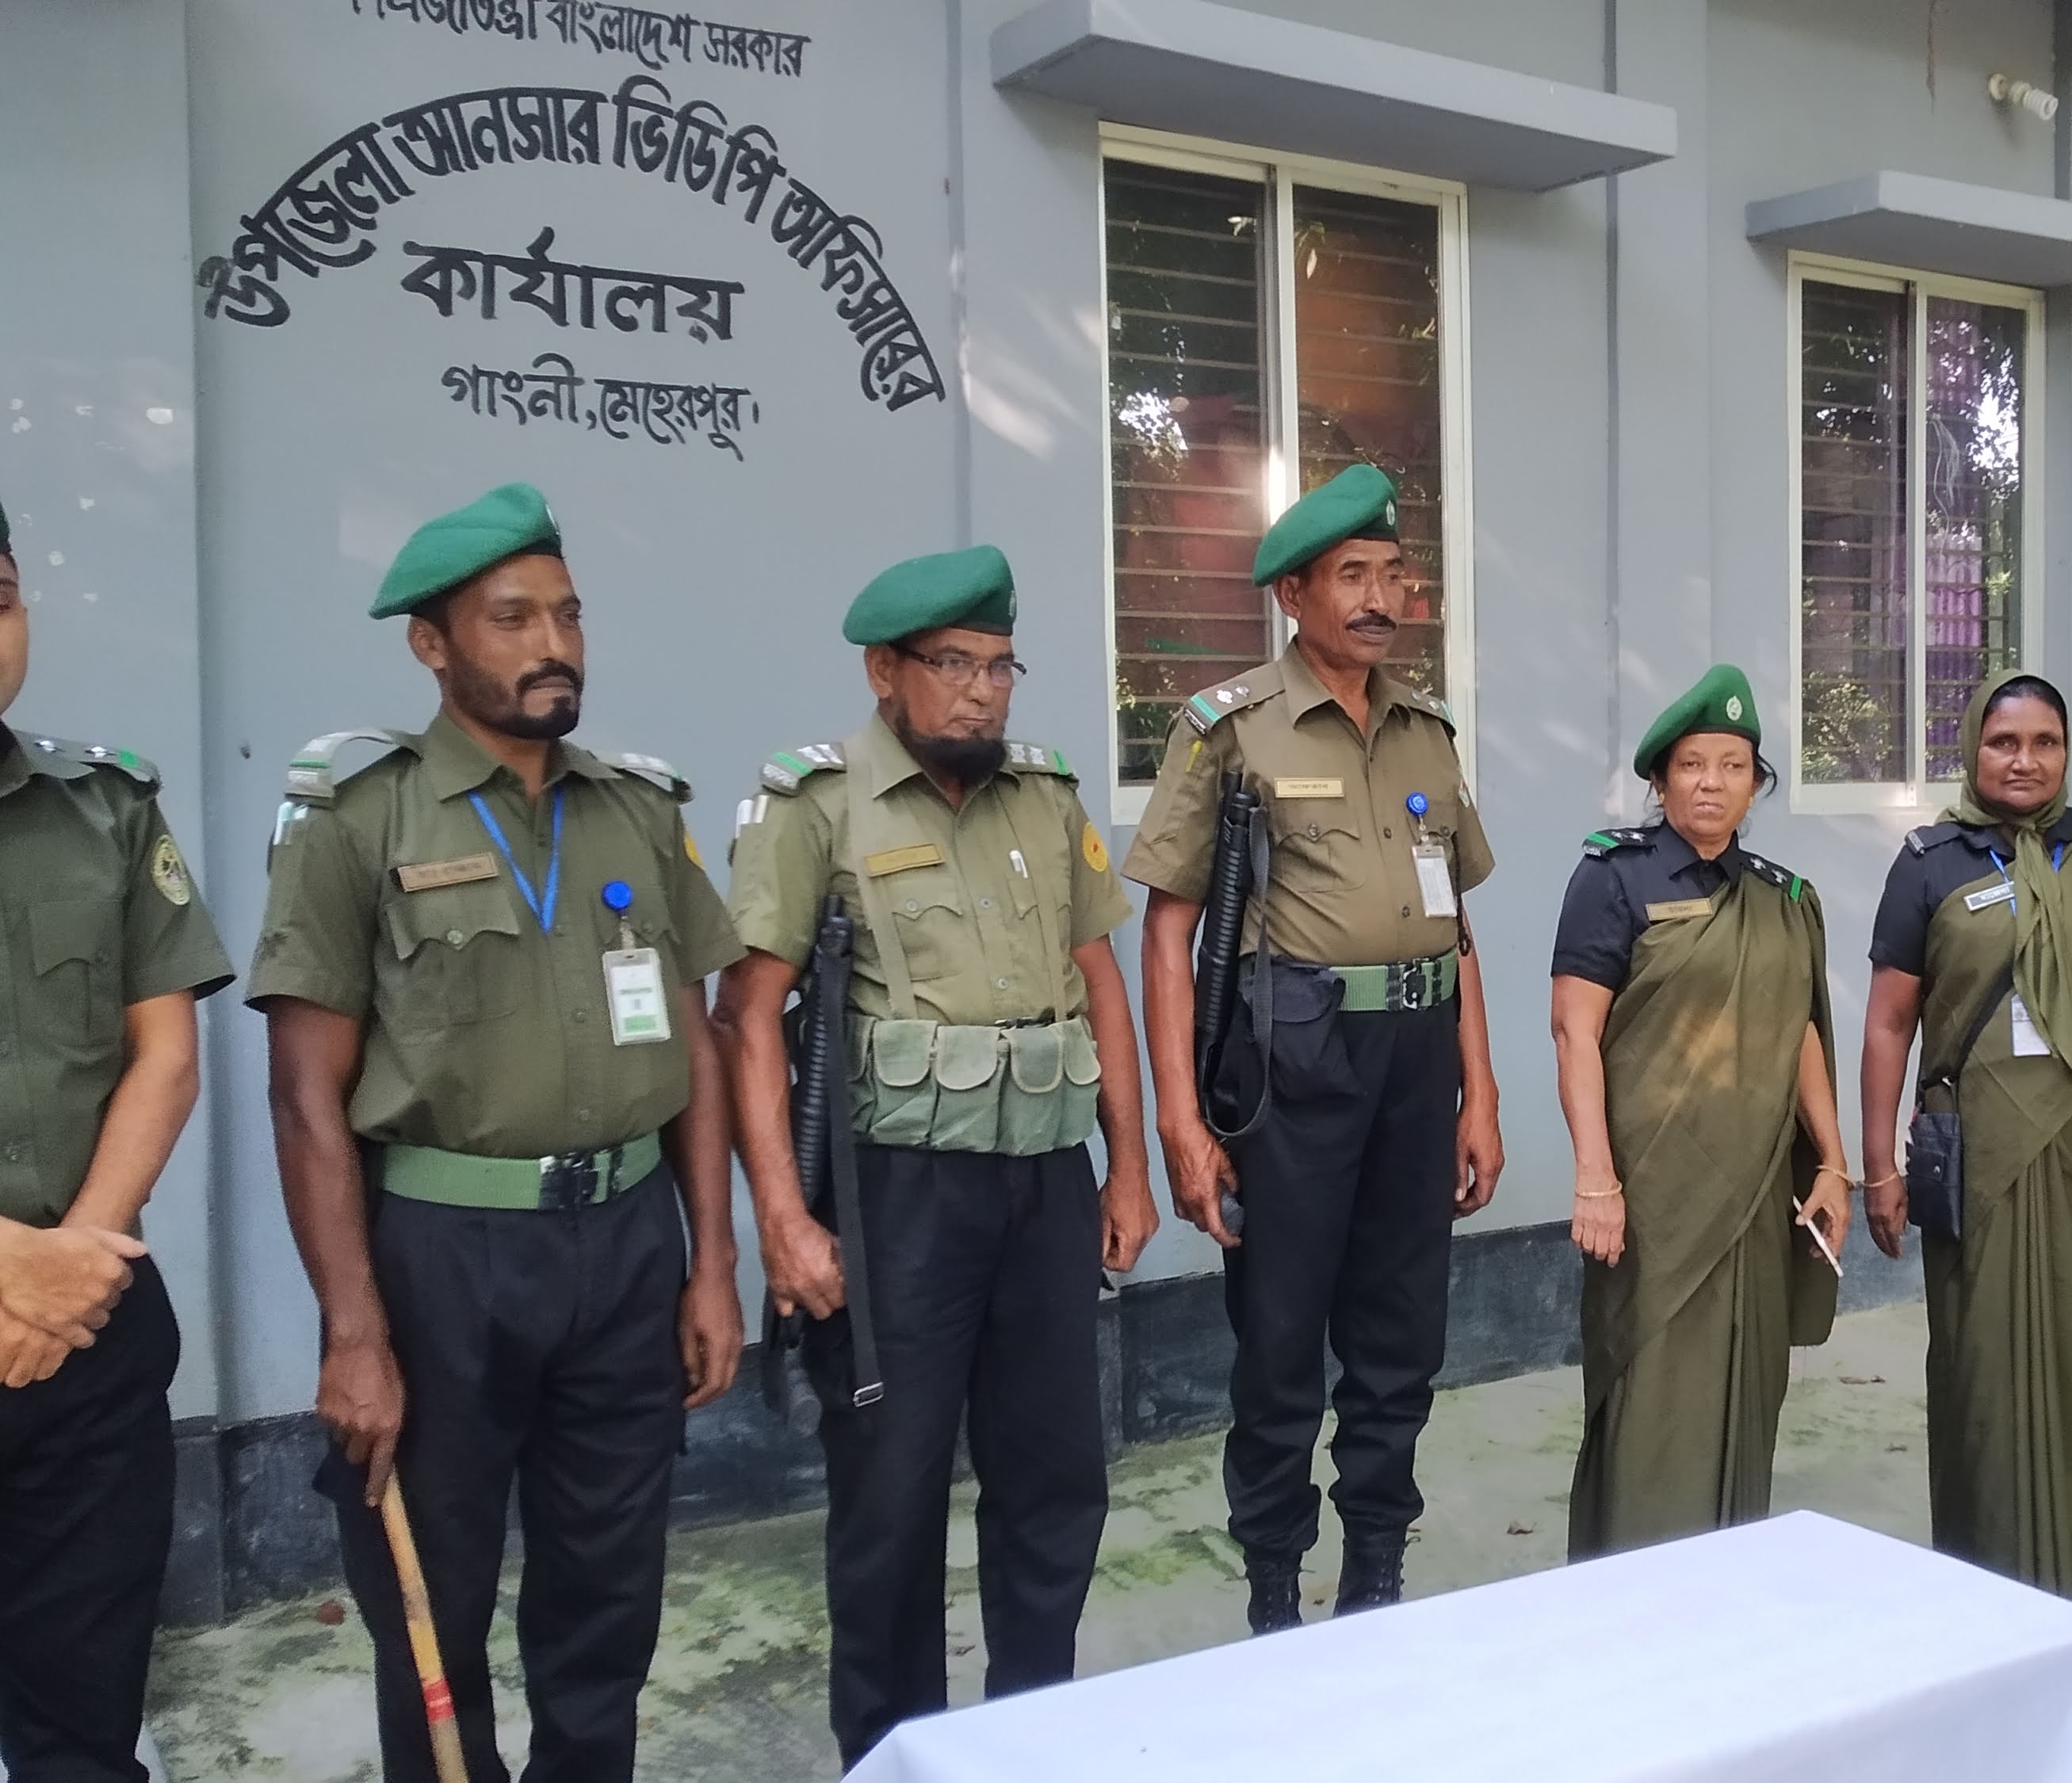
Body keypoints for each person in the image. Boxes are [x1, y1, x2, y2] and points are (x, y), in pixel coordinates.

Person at [248, 483, 745, 1783]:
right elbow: (304, 1094)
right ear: (433, 643)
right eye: (513, 619)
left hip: (626, 1243)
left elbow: (696, 1047)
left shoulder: (639, 810)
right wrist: (354, 1331)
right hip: (440, 1259)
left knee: (608, 1599)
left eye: (568, 615)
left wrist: (713, 1260)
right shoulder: (360, 817)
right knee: (433, 1604)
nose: (554, 645)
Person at [713, 545, 1156, 1766]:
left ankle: (1031, 1737)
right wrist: (783, 1220)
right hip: (897, 1197)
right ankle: (890, 1752)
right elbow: (747, 1015)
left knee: (1056, 1481)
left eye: (999, 666)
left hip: (1044, 1186)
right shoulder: (818, 804)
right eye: (954, 664)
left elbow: (1099, 981)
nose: (980, 692)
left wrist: (1127, 1166)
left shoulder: (1044, 797)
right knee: (892, 1498)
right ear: (885, 670)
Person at [1123, 462, 1502, 1632]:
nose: (1380, 597)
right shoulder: (1230, 729)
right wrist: (1180, 1120)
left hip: (1416, 1056)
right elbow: (1170, 927)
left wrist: (1481, 1096)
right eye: (1352, 576)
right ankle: (1276, 1584)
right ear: (1295, 594)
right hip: (1294, 1059)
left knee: (1402, 1329)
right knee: (1282, 1335)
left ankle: (1376, 1566)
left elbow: (1456, 923)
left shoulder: (1427, 732)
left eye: (1392, 573)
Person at [1856, 671, 2072, 1633]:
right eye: (2003, 742)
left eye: (2043, 742)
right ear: (1973, 748)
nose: (2024, 760)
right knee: (1983, 1363)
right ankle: (1984, 1571)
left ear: (2065, 752)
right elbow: (1888, 1024)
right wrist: (1878, 1165)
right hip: (1983, 1151)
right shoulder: (1930, 864)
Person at [0, 496, 234, 1782]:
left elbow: (165, 1055)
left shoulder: (104, 806)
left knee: (84, 1728)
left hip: (87, 1346)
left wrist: (75, 1265)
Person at [1550, 665, 1848, 1560]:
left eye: (1732, 766)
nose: (1711, 783)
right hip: (1652, 1197)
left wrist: (1834, 1162)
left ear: (1755, 785)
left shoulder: (1782, 898)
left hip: (1753, 1195)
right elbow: (1573, 1031)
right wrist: (1595, 1180)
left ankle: (1726, 1576)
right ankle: (1628, 1582)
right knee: (1648, 1391)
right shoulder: (1613, 879)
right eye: (1691, 764)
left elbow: (1800, 1031)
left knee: (1746, 1386)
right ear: (1660, 779)